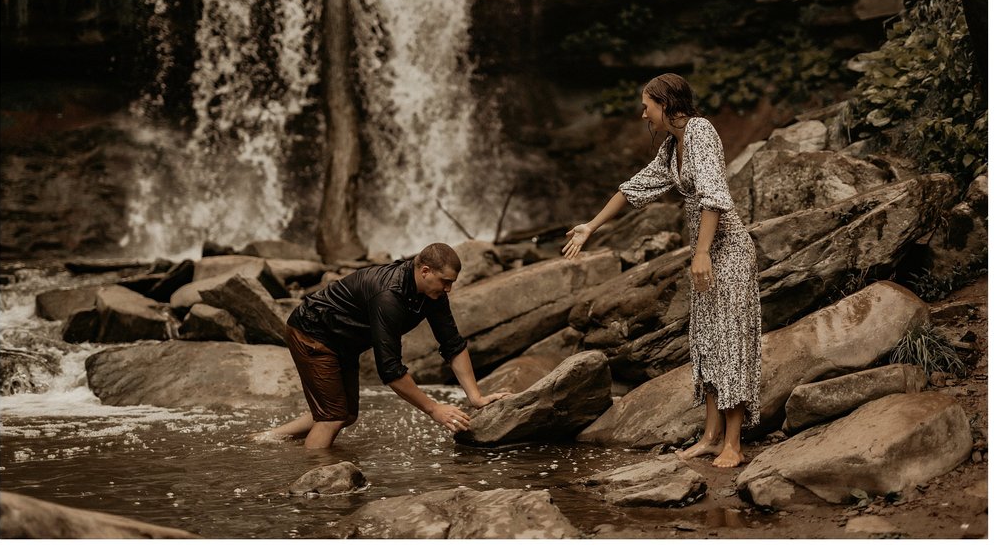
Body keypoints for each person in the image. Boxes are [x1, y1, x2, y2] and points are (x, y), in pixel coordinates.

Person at [562, 73, 761, 468]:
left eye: (646, 105)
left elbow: (714, 196)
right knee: (706, 340)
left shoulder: (701, 131)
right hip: (704, 253)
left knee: (731, 342)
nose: (642, 114)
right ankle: (710, 436)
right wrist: (591, 226)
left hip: (729, 251)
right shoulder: (673, 146)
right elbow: (633, 188)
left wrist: (702, 252)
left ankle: (734, 445)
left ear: (666, 104)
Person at [259, 242, 509, 449]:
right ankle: (312, 485)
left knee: (345, 415)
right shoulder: (389, 296)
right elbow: (389, 369)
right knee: (333, 417)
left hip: (341, 341)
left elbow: (452, 344)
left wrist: (476, 397)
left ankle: (266, 439)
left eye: (452, 282)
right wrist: (434, 409)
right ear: (425, 271)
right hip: (312, 332)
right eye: (445, 281)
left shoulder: (434, 295)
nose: (449, 289)